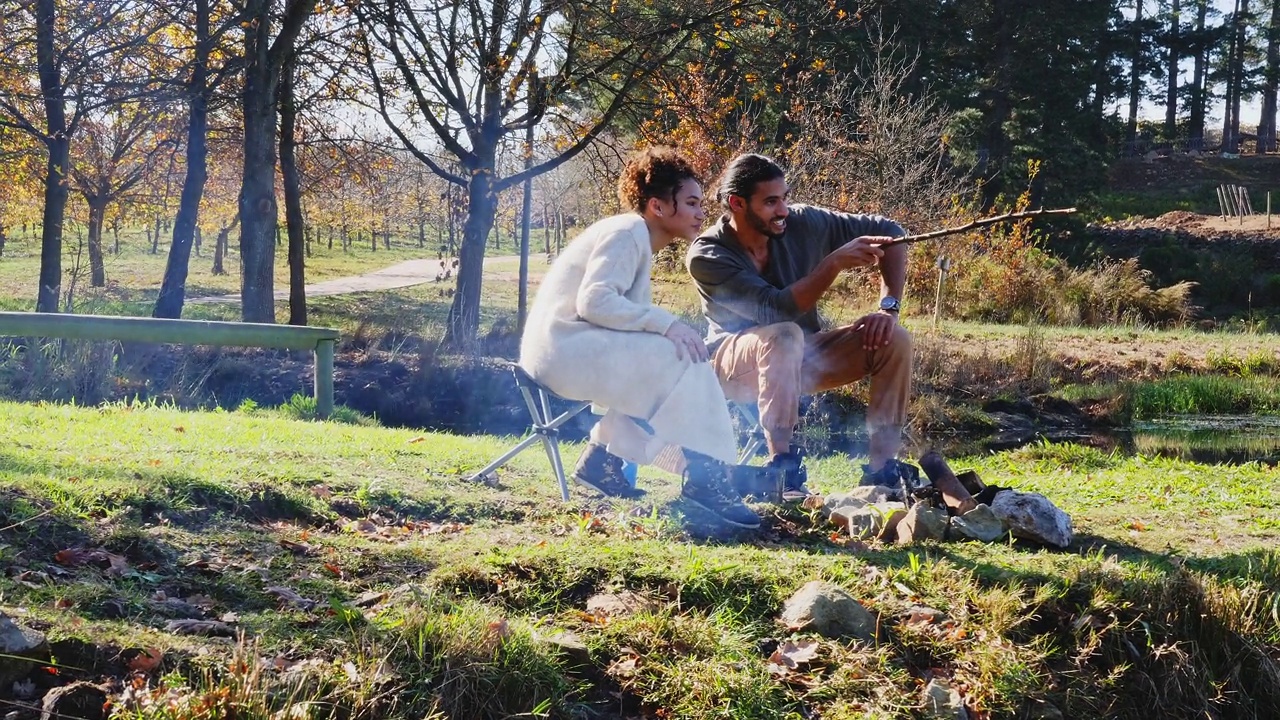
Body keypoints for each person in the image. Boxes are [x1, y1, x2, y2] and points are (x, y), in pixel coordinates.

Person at [519, 146, 760, 528]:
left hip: (566, 350)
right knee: (684, 355)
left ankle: (604, 460)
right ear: (658, 207)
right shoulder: (628, 230)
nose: (702, 213)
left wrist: (665, 331)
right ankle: (707, 479)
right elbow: (595, 301)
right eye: (692, 203)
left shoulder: (634, 237)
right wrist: (667, 324)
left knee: (671, 358)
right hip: (561, 352)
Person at [685, 153, 916, 494]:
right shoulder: (707, 255)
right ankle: (783, 468)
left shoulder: (804, 222)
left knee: (893, 338)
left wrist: (888, 308)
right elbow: (775, 310)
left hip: (803, 358)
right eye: (770, 202)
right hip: (732, 367)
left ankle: (881, 471)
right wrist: (833, 263)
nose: (783, 211)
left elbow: (891, 233)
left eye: (785, 198)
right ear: (736, 203)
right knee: (784, 334)